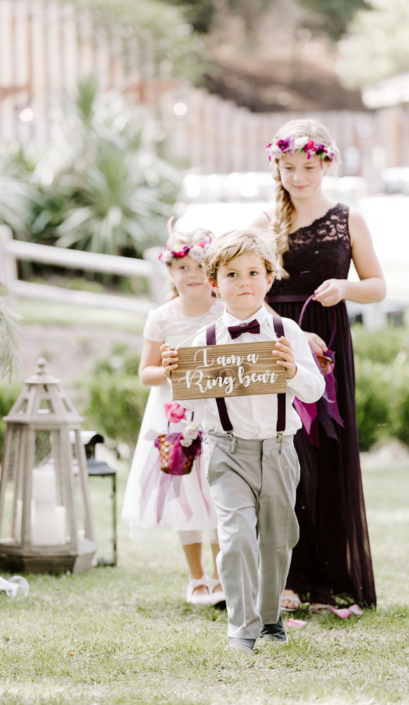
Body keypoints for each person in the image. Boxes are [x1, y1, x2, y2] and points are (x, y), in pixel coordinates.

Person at [162, 230, 325, 653]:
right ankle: (242, 626)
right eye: (232, 274)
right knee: (234, 539)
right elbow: (194, 404)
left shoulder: (286, 330)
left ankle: (271, 618)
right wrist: (177, 374)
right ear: (214, 281)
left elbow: (313, 392)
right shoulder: (203, 342)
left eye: (254, 272)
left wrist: (291, 370)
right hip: (226, 451)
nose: (244, 282)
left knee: (276, 539)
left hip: (277, 449)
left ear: (269, 278)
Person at [252, 119, 386, 612]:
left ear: (326, 163)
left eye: (308, 167)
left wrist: (345, 287)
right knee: (283, 456)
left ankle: (327, 573)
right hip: (279, 342)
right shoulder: (264, 222)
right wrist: (288, 333)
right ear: (277, 166)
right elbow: (244, 291)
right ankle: (284, 578)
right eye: (289, 168)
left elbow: (377, 285)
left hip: (326, 340)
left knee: (323, 454)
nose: (299, 177)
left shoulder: (349, 218)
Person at [121, 221, 225, 607]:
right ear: (170, 272)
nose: (193, 274)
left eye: (200, 265)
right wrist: (167, 367)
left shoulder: (224, 311)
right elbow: (145, 373)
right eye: (183, 267)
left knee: (218, 495)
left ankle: (221, 575)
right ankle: (196, 576)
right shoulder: (161, 317)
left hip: (216, 412)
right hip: (174, 417)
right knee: (186, 495)